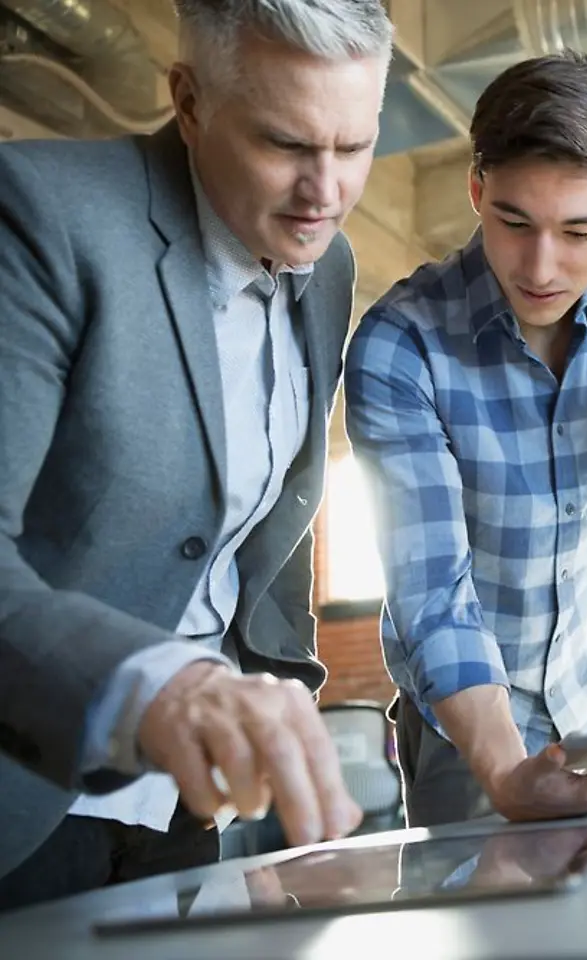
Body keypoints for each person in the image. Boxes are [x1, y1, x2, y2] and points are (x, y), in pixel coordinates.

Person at [0, 0, 393, 909]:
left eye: (355, 146)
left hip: (188, 810)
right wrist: (163, 689)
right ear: (188, 100)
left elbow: (267, 528)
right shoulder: (39, 219)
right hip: (26, 793)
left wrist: (279, 720)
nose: (325, 191)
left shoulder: (323, 268)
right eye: (286, 144)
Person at [344, 51, 587, 828]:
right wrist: (504, 768)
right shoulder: (399, 345)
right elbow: (431, 592)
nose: (541, 266)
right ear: (476, 190)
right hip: (468, 727)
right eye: (513, 222)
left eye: (579, 231)